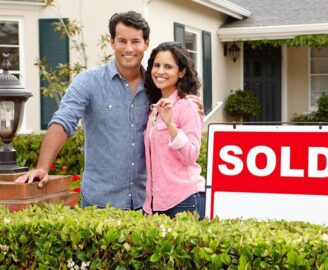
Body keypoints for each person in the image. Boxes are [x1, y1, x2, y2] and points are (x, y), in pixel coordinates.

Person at [15, 11, 203, 210]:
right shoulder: (89, 82)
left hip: (145, 204)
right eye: (122, 41)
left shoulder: (156, 88)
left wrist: (190, 102)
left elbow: (180, 110)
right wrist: (43, 167)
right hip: (100, 203)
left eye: (135, 41)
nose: (129, 48)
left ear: (146, 43)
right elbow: (63, 121)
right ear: (112, 42)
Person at [142, 42, 205, 219]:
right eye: (157, 65)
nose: (160, 71)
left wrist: (170, 125)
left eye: (168, 67)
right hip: (156, 203)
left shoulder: (187, 106)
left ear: (181, 72)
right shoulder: (154, 108)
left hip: (185, 200)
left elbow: (191, 155)